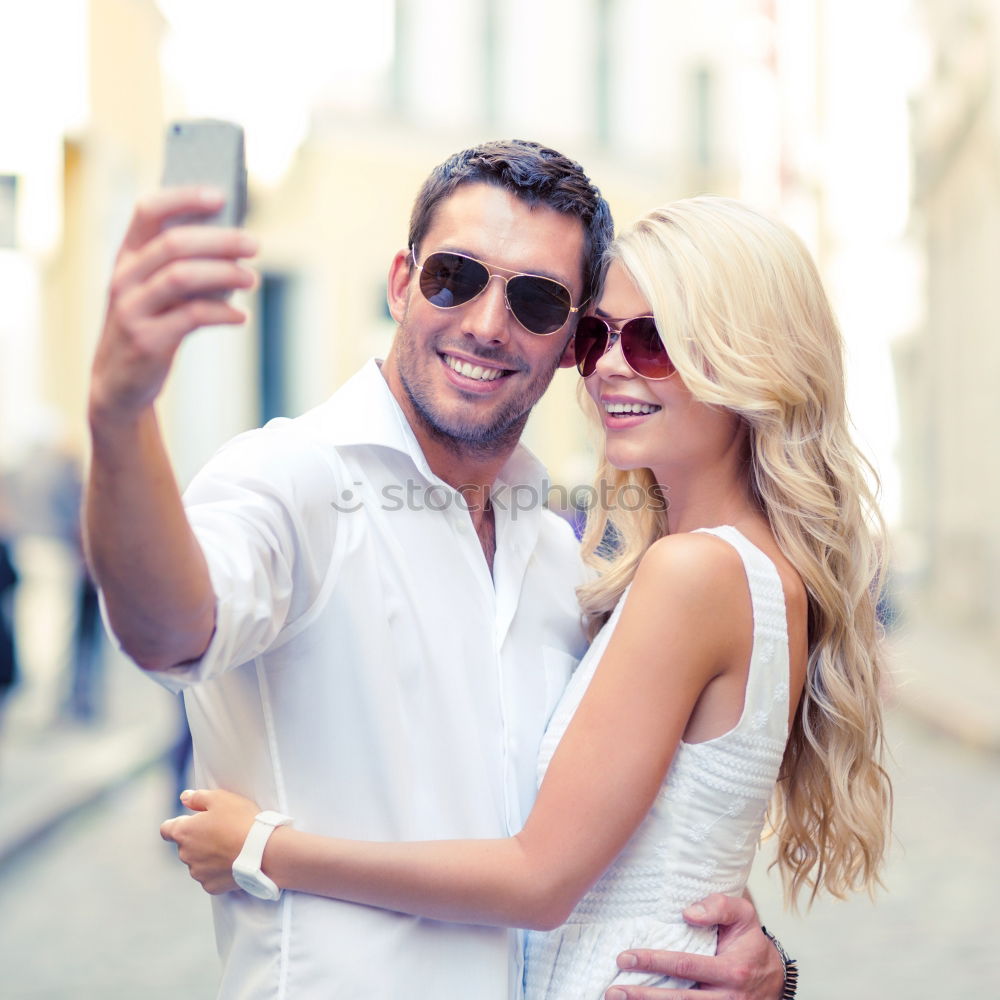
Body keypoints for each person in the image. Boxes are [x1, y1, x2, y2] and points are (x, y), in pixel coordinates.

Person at [86, 141, 788, 999]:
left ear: (569, 342)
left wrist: (763, 972)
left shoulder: (564, 558)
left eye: (535, 301)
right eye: (455, 277)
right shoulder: (293, 477)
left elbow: (611, 846)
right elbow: (167, 626)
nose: (488, 324)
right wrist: (121, 419)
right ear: (400, 283)